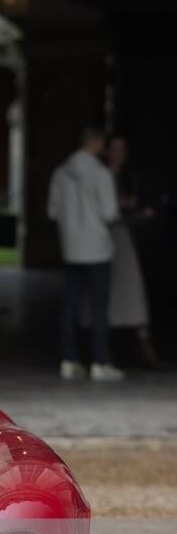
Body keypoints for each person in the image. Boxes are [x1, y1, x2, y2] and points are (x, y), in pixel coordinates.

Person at [48, 127, 124, 382]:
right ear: (98, 143)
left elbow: (53, 211)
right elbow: (110, 213)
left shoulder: (60, 173)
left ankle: (69, 360)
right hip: (98, 248)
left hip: (71, 247)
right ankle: (99, 362)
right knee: (99, 307)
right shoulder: (101, 173)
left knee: (69, 305)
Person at [104, 135, 163, 370]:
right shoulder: (105, 176)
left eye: (123, 148)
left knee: (133, 293)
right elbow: (110, 209)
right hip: (111, 238)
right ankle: (109, 351)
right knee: (111, 294)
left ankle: (142, 347)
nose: (122, 153)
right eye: (117, 148)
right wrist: (130, 208)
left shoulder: (127, 177)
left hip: (126, 236)